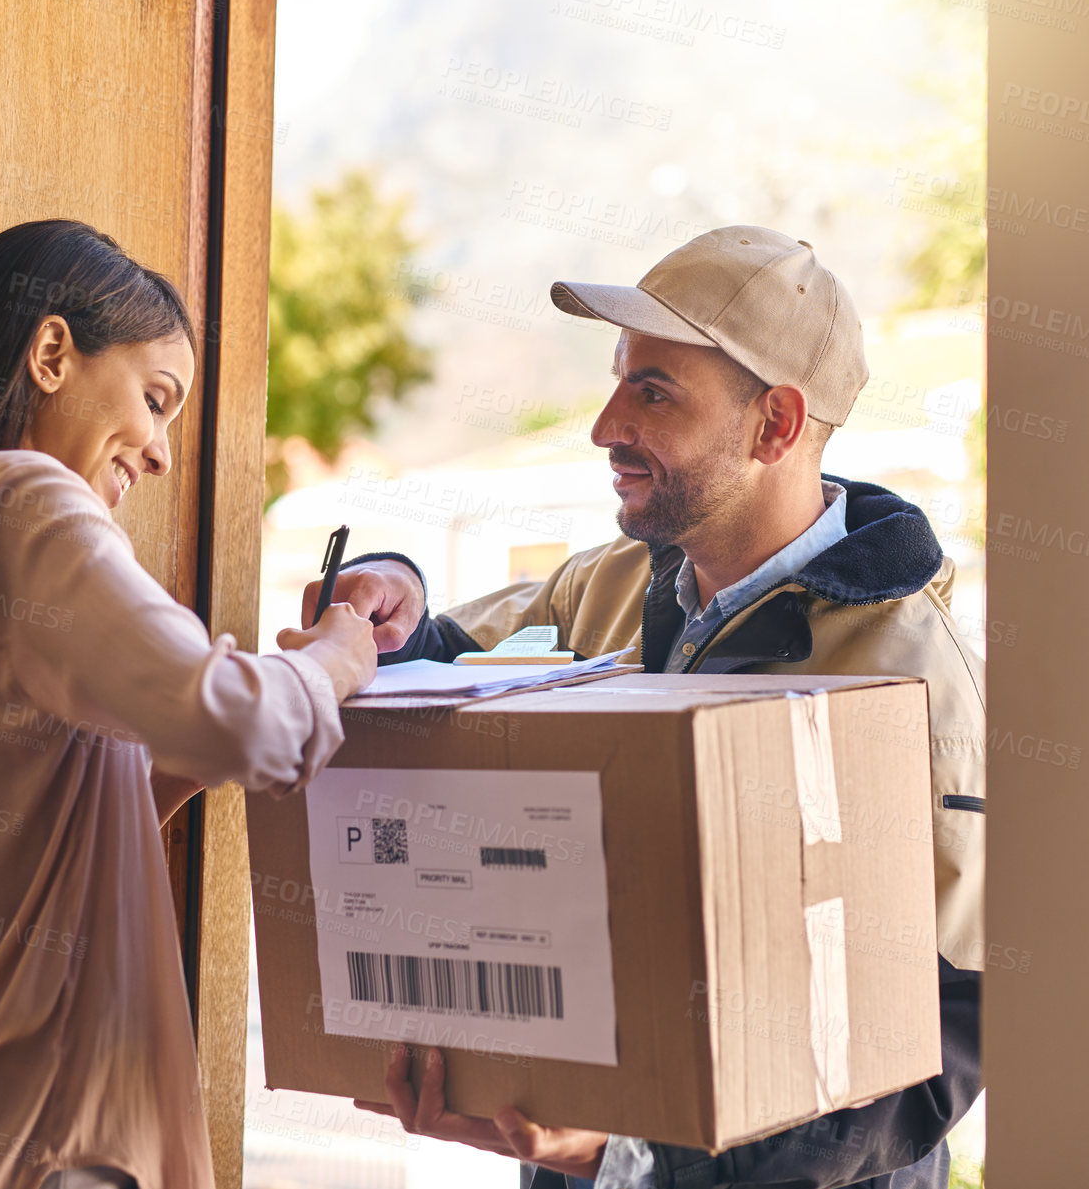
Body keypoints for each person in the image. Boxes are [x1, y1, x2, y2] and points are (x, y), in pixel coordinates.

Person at [311, 227, 986, 1189]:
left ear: (775, 427)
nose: (603, 425)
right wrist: (391, 596)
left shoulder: (917, 684)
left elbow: (937, 1051)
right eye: (619, 380)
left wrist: (634, 1150)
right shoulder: (622, 581)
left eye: (652, 392)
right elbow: (446, 656)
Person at [0, 218, 376, 1189]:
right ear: (53, 352)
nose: (159, 455)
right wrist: (339, 661)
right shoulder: (23, 499)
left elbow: (7, 837)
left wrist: (161, 777)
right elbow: (241, 716)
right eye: (156, 400)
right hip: (29, 1155)